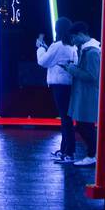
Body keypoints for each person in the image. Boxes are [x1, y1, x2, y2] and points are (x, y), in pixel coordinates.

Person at [36, 17, 76, 163]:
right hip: (68, 84)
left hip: (59, 85)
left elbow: (43, 61)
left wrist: (40, 48)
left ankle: (69, 152)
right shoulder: (71, 45)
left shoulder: (58, 45)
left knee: (65, 120)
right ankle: (65, 149)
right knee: (66, 118)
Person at [63, 21, 102, 167]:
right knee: (84, 126)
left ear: (79, 35)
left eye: (73, 38)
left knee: (84, 126)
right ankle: (93, 154)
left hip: (88, 95)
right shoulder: (87, 50)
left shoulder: (91, 52)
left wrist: (72, 69)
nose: (72, 42)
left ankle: (93, 154)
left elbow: (92, 76)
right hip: (85, 94)